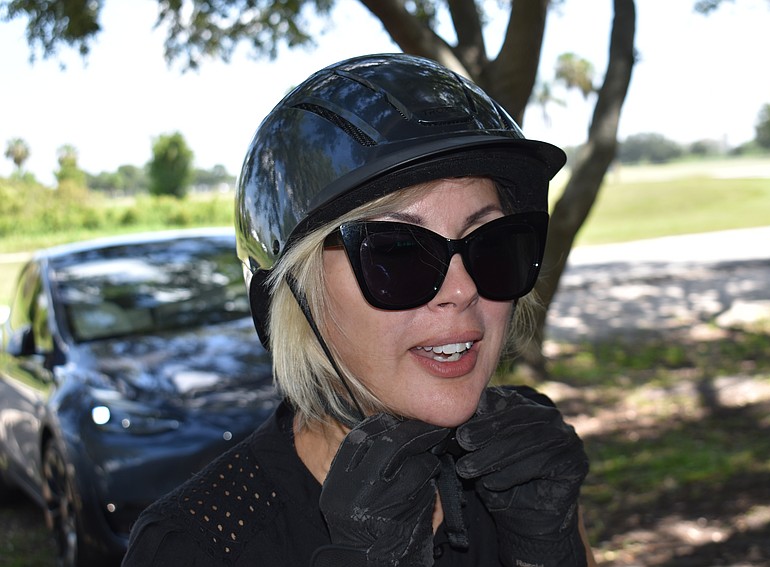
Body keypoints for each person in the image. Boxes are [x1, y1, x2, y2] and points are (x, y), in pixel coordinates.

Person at [123, 53, 595, 567]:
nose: (461, 290)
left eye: (492, 243)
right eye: (397, 252)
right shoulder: (198, 544)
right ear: (292, 301)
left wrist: (552, 552)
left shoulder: (526, 476)